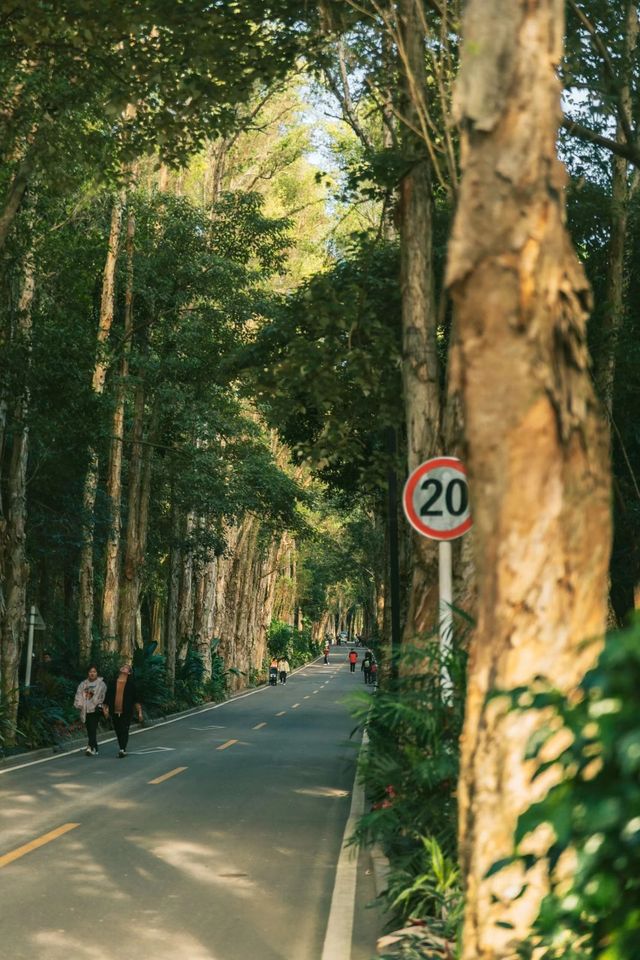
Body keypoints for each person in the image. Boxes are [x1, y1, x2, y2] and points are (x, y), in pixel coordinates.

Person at [103, 664, 142, 757]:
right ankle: (121, 747)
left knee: (124, 729)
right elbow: (107, 697)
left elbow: (136, 699)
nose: (124, 668)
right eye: (123, 667)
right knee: (118, 730)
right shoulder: (113, 682)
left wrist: (140, 713)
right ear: (120, 669)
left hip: (126, 711)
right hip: (114, 711)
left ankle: (122, 749)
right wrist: (105, 709)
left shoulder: (131, 685)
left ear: (129, 672)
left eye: (127, 668)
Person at [73, 664, 107, 756]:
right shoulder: (83, 684)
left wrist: (97, 703)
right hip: (85, 708)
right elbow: (79, 694)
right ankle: (95, 747)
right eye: (90, 672)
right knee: (89, 729)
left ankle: (90, 747)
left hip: (95, 709)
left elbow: (102, 696)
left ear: (97, 673)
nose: (92, 673)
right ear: (88, 673)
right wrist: (79, 704)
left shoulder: (101, 684)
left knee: (92, 728)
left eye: (94, 672)